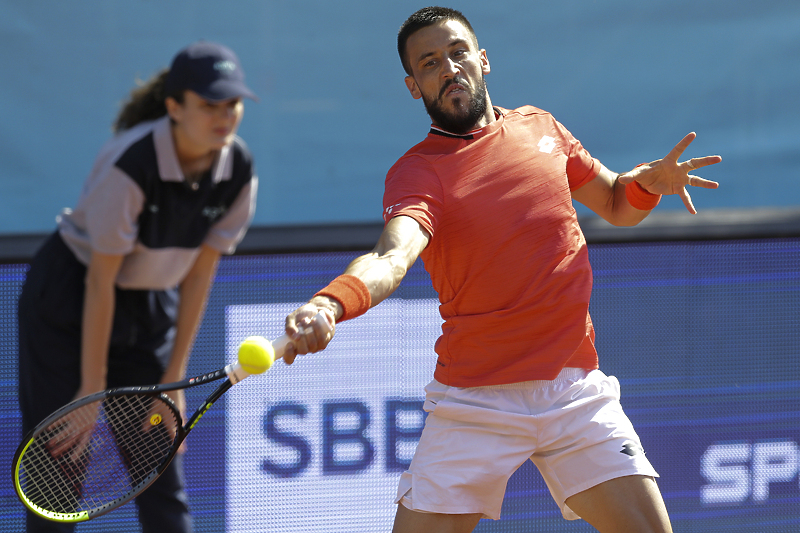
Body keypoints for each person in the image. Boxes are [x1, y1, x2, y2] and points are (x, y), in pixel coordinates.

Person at [283, 6, 722, 533]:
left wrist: (648, 183)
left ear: (482, 60)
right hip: (475, 402)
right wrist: (330, 303)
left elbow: (614, 201)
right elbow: (390, 257)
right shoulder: (418, 173)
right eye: (429, 63)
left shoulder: (542, 127)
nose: (448, 68)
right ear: (412, 85)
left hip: (573, 389)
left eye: (457, 52)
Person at [17, 41, 258, 533]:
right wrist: (90, 391)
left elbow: (198, 277)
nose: (223, 116)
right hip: (71, 303)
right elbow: (101, 282)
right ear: (174, 107)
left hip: (150, 311)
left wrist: (175, 383)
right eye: (208, 104)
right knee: (59, 476)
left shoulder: (239, 169)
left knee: (160, 474)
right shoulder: (131, 164)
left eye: (231, 104)